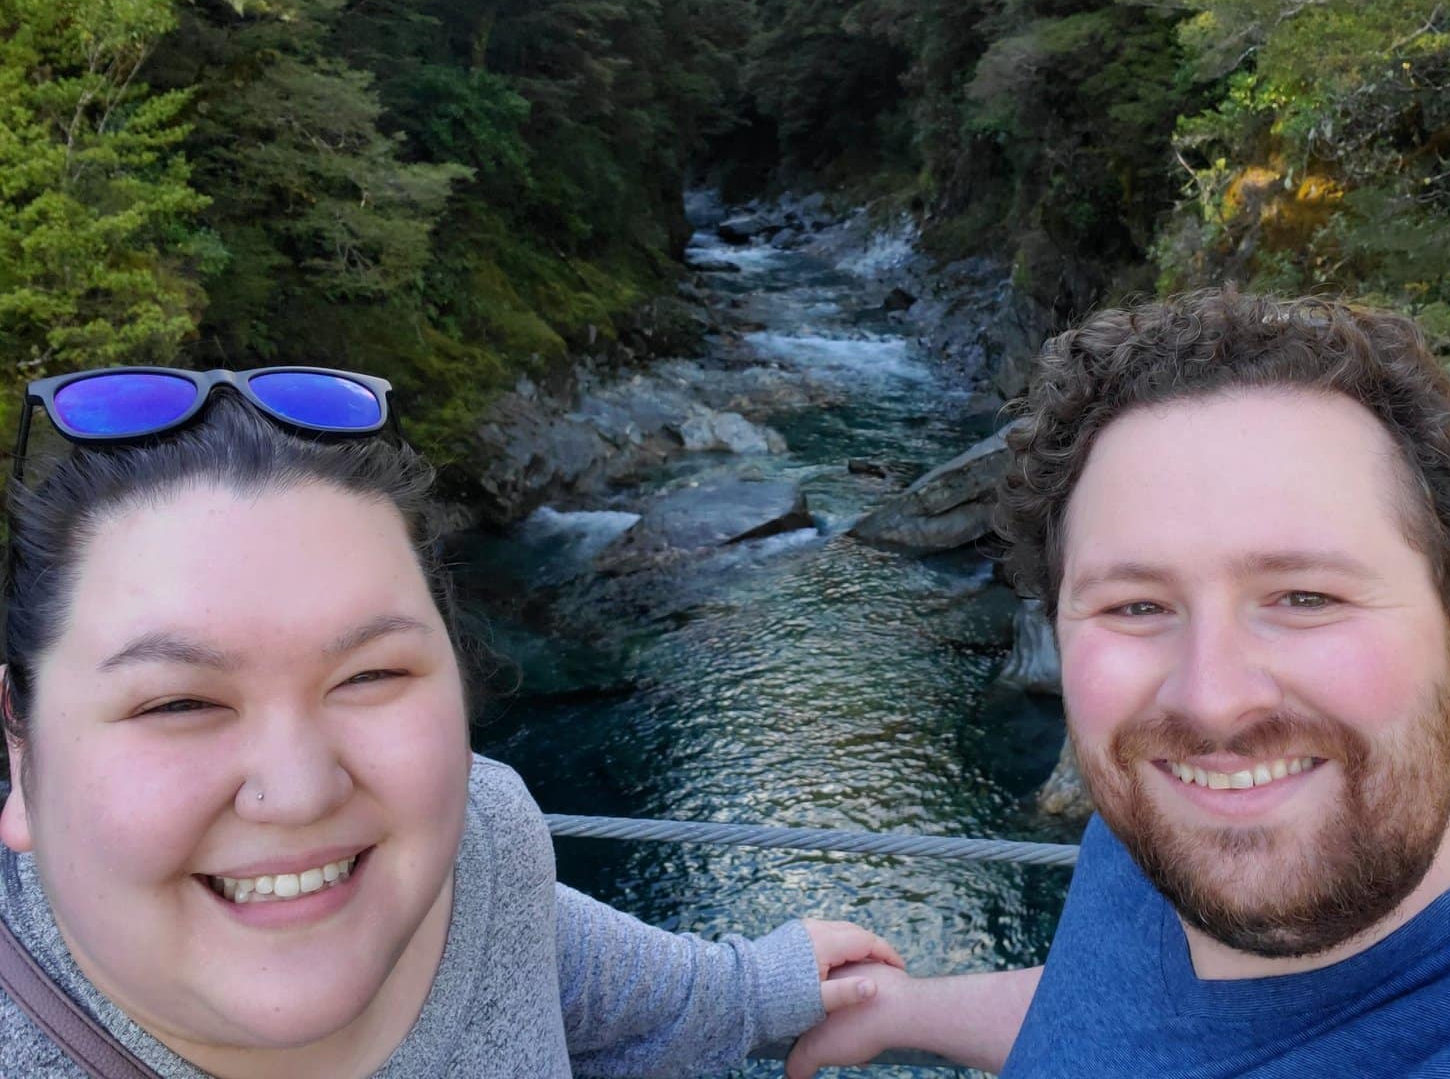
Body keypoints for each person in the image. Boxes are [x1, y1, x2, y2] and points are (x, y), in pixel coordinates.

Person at [787, 289, 1450, 1078]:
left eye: (1304, 596)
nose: (1210, 701)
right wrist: (902, 1012)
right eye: (1137, 607)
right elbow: (1140, 1013)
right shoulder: (1171, 812)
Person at [0, 366, 901, 1077]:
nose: (301, 790)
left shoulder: (484, 833)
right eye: (179, 701)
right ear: (21, 745)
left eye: (371, 674)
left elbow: (561, 970)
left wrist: (764, 988)